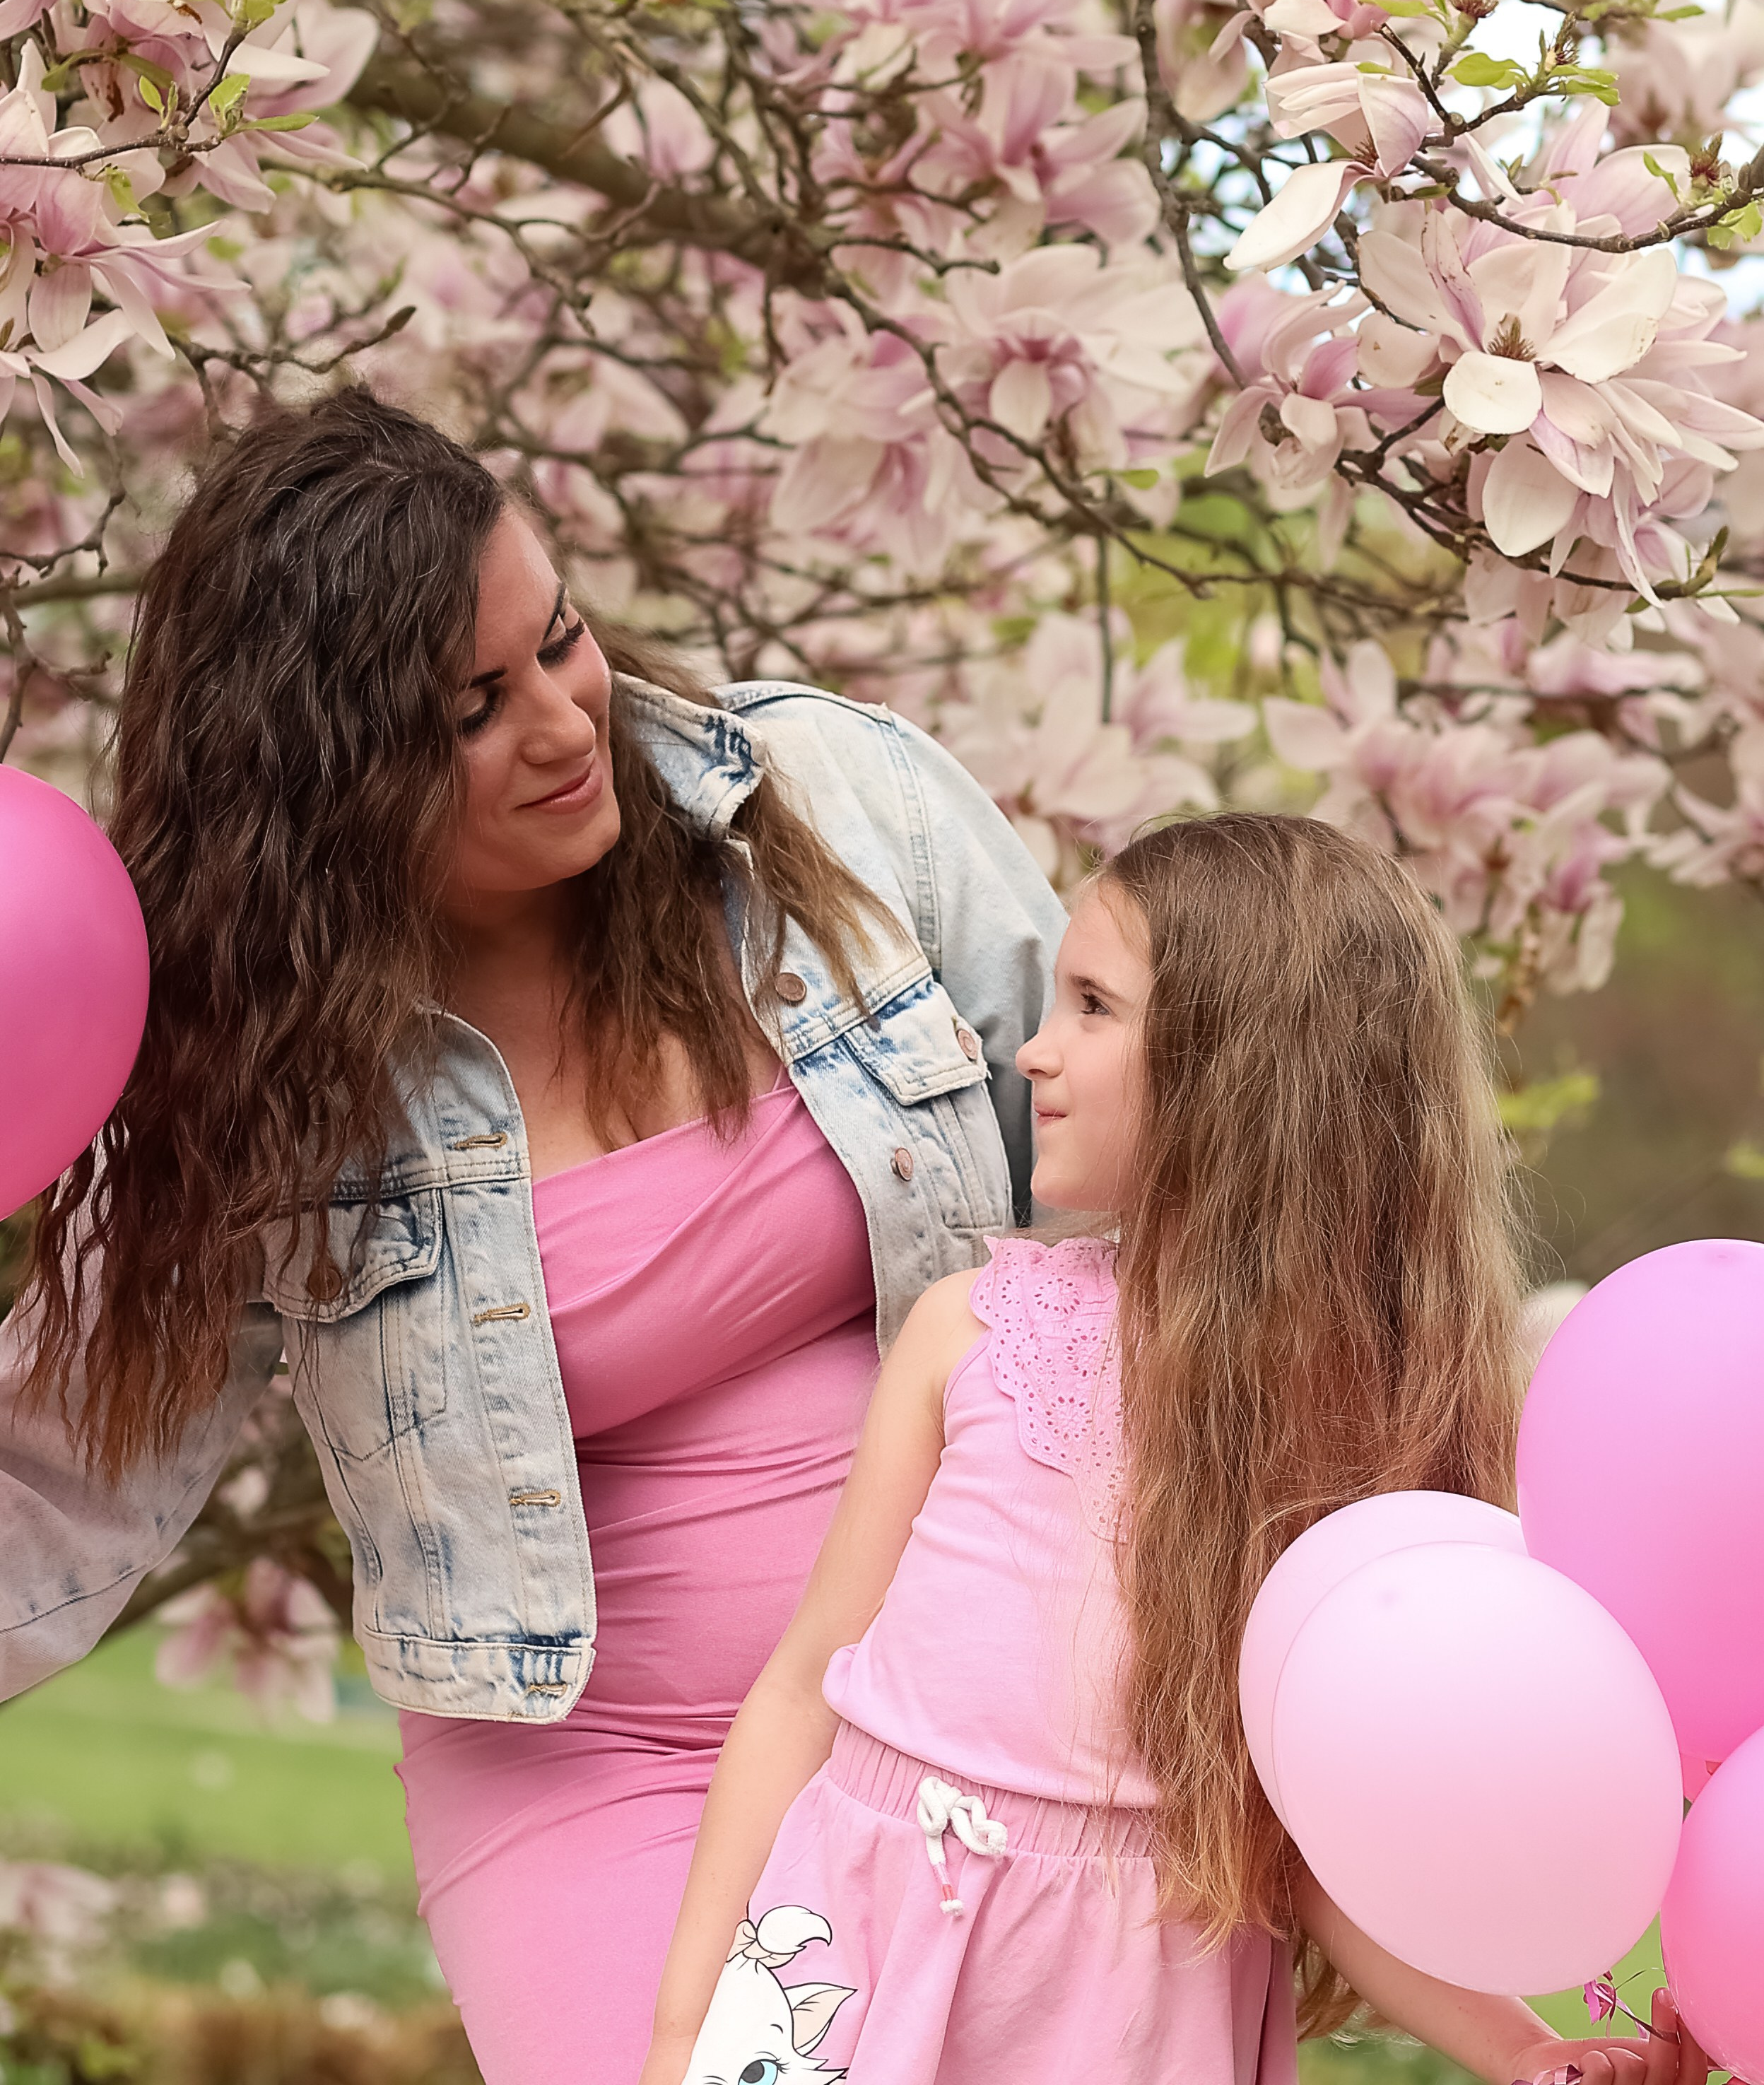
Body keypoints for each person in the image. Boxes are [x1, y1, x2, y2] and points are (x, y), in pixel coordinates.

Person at [0, 389, 1066, 2083]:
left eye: (558, 640)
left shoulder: (834, 811)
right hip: (591, 1769)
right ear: (325, 781)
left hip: (980, 1696)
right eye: (469, 713)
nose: (565, 725)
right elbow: (55, 1467)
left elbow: (1129, 1177)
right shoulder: (256, 1058)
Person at [640, 814, 1710, 2085]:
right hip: (871, 1967)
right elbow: (805, 1686)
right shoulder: (970, 1335)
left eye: (1094, 1005)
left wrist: (1526, 2049)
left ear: (1246, 1070)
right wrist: (683, 2029)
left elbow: (1317, 1852)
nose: (1032, 1050)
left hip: (1139, 2024)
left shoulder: (1365, 1432)